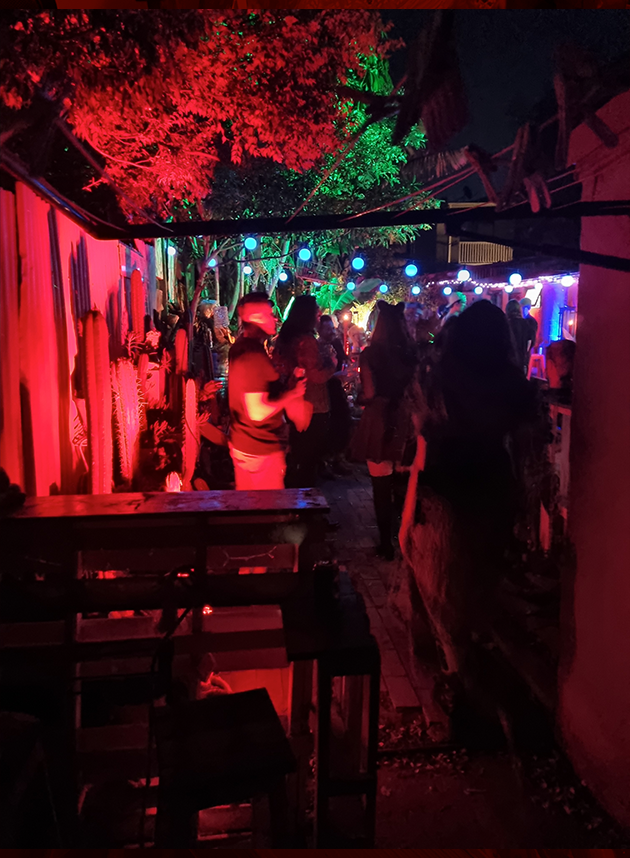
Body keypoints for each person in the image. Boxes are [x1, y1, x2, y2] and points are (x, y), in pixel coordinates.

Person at [410, 300, 537, 723]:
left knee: (445, 580)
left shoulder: (439, 374)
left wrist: (408, 509)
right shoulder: (512, 382)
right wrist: (523, 495)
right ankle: (474, 671)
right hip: (491, 482)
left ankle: (457, 674)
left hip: (445, 482)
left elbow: (423, 436)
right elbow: (525, 446)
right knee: (481, 577)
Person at [351, 301, 419, 560]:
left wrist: (360, 398)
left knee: (381, 486)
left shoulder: (371, 354)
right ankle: (406, 537)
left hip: (379, 420)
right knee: (405, 485)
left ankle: (386, 544)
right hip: (406, 420)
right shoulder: (411, 353)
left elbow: (369, 393)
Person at [228, 293, 306, 490]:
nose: (275, 319)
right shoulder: (253, 356)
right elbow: (257, 412)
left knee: (250, 505)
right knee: (267, 506)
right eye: (270, 315)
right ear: (257, 318)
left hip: (246, 444)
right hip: (260, 451)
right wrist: (292, 394)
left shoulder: (241, 347)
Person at [273, 295, 336, 487]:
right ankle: (305, 499)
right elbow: (315, 375)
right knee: (308, 458)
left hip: (292, 400)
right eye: (316, 311)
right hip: (311, 404)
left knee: (297, 453)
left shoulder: (285, 338)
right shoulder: (306, 341)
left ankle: (294, 495)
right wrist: (332, 365)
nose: (319, 314)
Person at [318, 314, 352, 474]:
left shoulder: (336, 343)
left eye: (332, 328)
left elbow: (343, 361)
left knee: (343, 419)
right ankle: (326, 461)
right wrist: (335, 375)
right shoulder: (317, 347)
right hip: (324, 389)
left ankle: (338, 457)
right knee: (329, 424)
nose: (331, 331)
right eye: (327, 329)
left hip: (337, 388)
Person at [506, 298, 532, 373]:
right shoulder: (526, 323)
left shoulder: (506, 323)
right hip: (521, 360)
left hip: (509, 360)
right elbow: (529, 342)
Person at [519, 296, 538, 371]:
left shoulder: (531, 321)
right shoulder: (521, 320)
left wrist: (526, 352)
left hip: (525, 351)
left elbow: (531, 338)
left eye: (522, 307)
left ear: (526, 308)